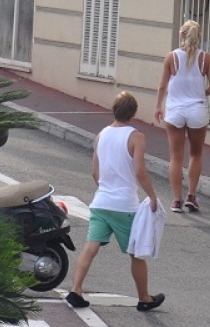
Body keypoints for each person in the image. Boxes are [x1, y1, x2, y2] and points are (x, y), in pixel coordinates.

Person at [65, 91, 164, 312]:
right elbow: (140, 171)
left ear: (114, 110)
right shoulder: (136, 137)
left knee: (91, 247)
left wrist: (105, 189)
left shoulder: (102, 135)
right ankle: (144, 297)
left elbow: (95, 172)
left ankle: (76, 289)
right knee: (136, 253)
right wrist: (152, 196)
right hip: (124, 204)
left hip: (101, 201)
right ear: (133, 112)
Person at [155, 20, 210, 214]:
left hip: (175, 110)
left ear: (182, 35)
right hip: (197, 109)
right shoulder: (205, 59)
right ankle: (191, 196)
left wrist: (158, 106)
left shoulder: (171, 58)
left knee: (175, 157)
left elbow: (162, 86)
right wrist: (200, 94)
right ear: (198, 37)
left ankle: (176, 200)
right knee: (196, 154)